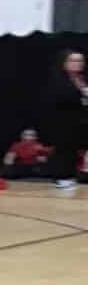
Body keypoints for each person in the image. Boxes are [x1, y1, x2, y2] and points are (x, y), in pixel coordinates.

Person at [47, 49, 88, 193]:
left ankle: (72, 175)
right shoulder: (59, 80)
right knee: (65, 149)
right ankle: (62, 178)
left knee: (75, 150)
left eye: (80, 60)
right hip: (64, 121)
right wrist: (81, 95)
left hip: (81, 121)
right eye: (73, 60)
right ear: (64, 63)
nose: (78, 63)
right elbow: (60, 99)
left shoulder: (82, 79)